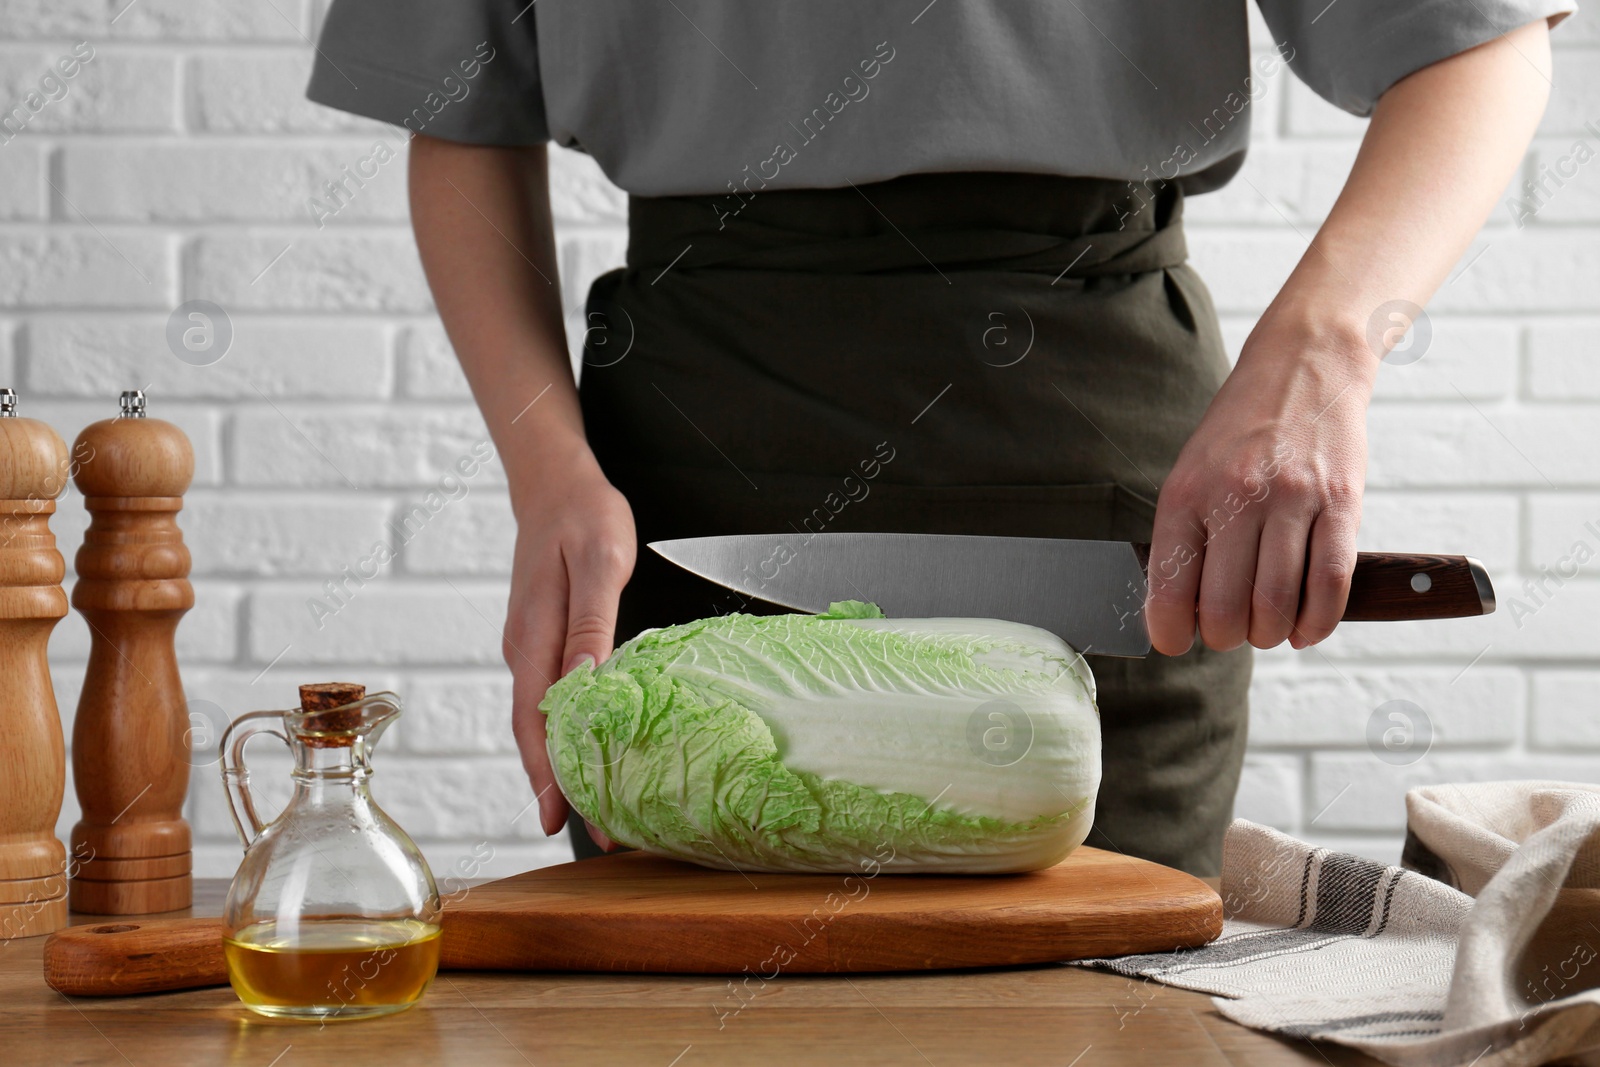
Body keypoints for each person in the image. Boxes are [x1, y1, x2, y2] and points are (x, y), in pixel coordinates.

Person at [308, 1, 1567, 876]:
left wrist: (1319, 359)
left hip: (1097, 448)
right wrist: (547, 478)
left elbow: (1481, 44)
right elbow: (458, 112)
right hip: (684, 472)